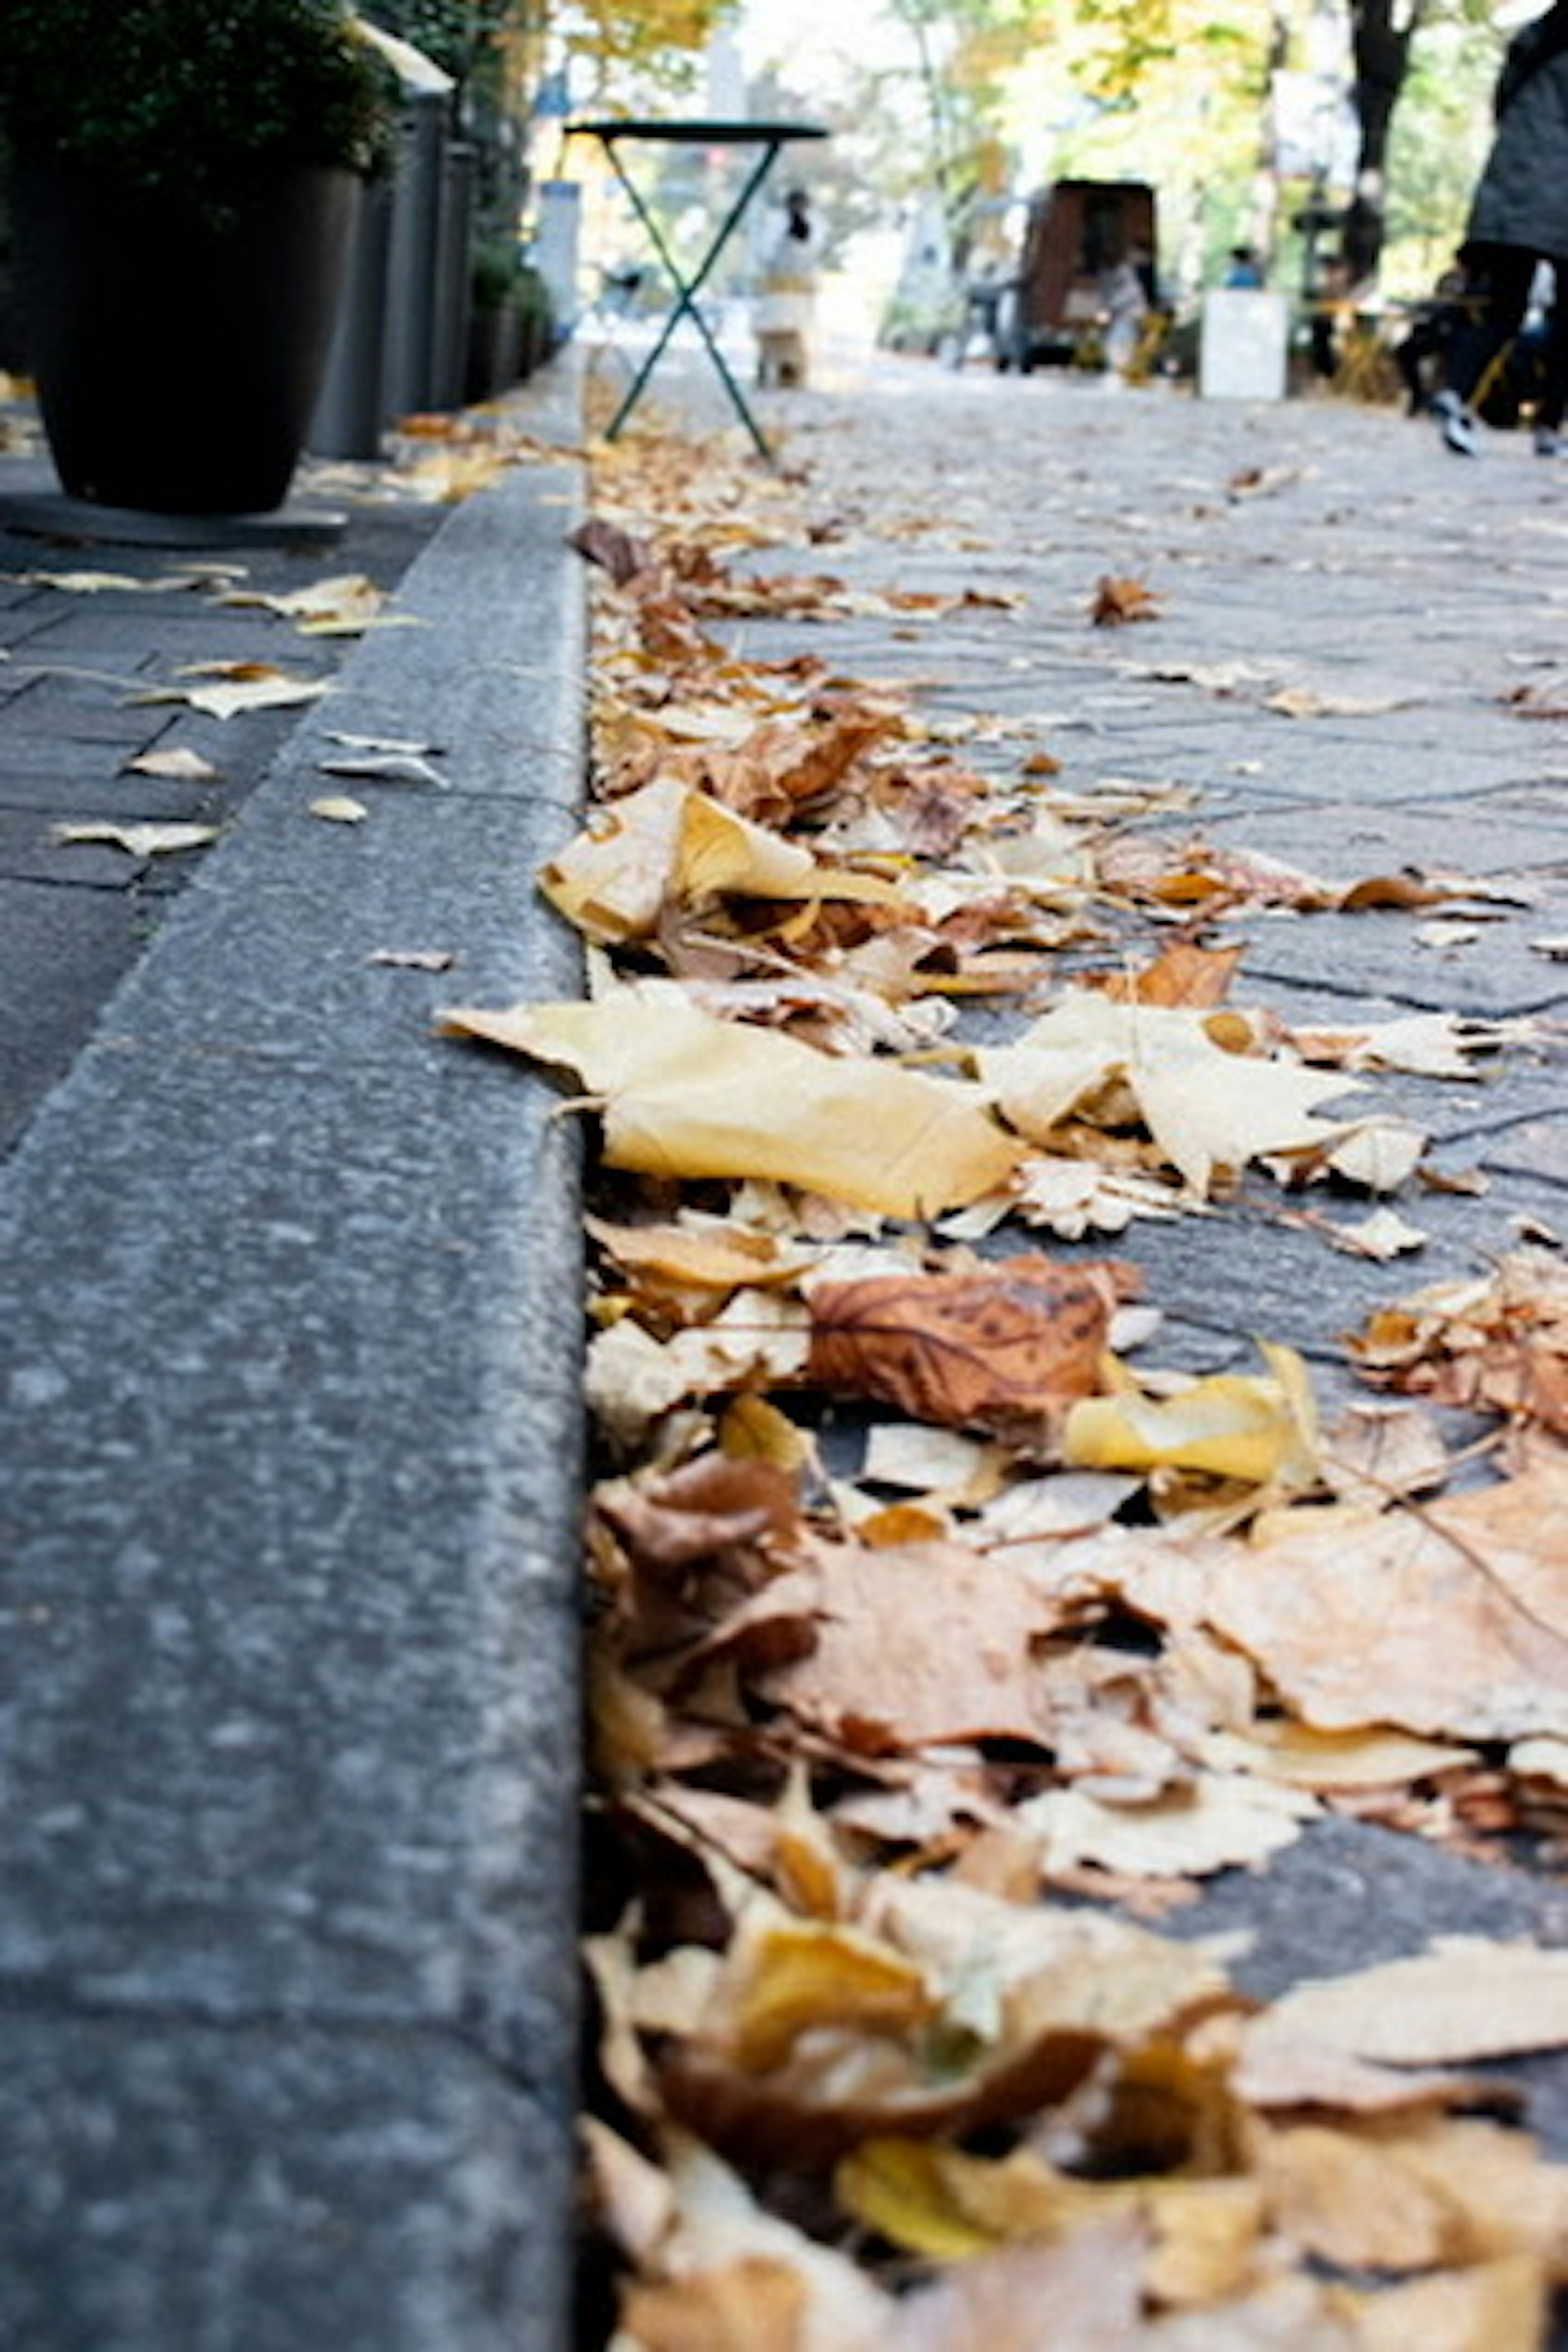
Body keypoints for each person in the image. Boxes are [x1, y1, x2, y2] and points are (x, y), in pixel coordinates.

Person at [1434, 0, 1568, 457]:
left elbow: (1502, 104)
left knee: (1502, 307)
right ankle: (1550, 426)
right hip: (1561, 195)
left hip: (1513, 189)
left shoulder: (1534, 42)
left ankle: (1455, 392)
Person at [753, 187, 820, 390]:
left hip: (788, 289)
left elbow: (767, 257)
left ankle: (781, 371)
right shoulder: (778, 225)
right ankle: (774, 369)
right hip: (785, 287)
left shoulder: (812, 226)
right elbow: (767, 255)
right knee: (780, 331)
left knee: (782, 331)